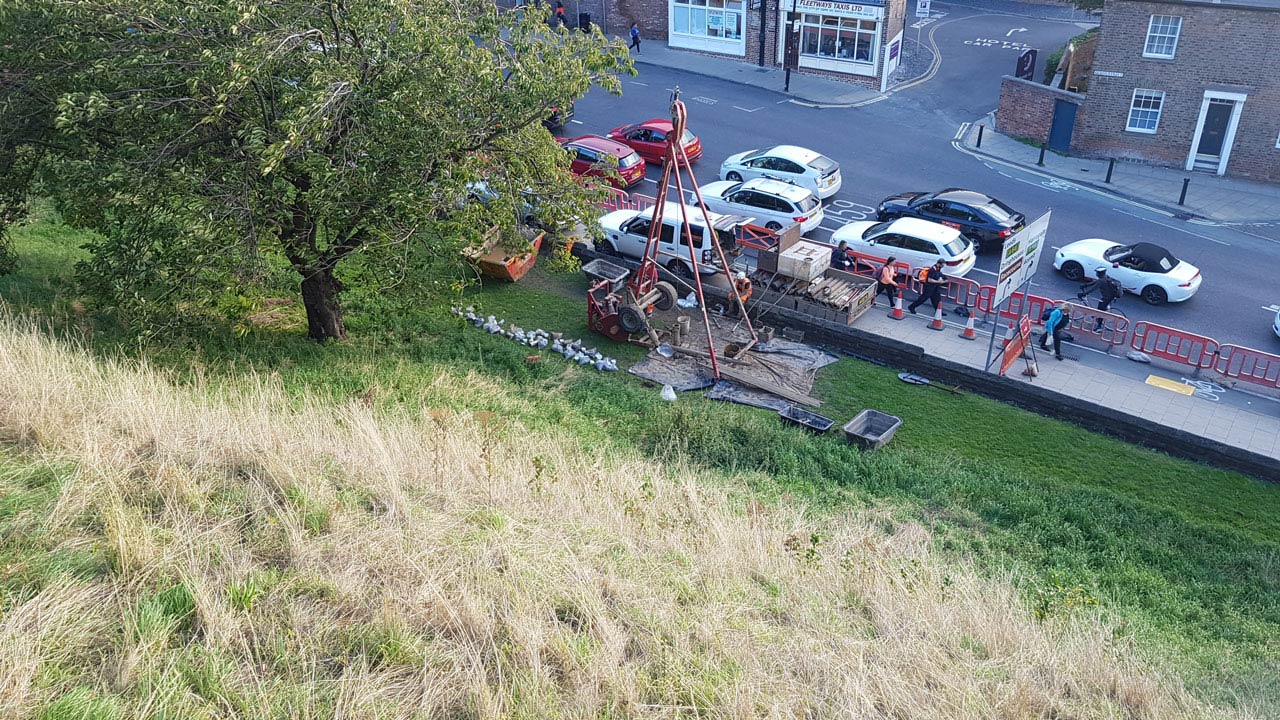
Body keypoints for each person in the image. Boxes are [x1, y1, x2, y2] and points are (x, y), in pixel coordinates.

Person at [1078, 265, 1122, 331]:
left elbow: (1093, 289)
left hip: (1107, 298)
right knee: (1101, 307)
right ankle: (1099, 317)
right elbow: (1095, 282)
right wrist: (1086, 285)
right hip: (1110, 296)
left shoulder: (1101, 281)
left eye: (1097, 272)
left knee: (1100, 312)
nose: (1096, 274)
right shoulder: (1105, 277)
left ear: (1099, 273)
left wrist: (1083, 293)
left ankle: (1099, 327)